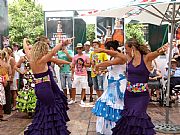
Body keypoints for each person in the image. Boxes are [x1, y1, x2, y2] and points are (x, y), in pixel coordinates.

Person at [112, 38, 168, 135]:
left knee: (138, 116)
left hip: (141, 96)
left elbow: (156, 53)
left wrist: (161, 49)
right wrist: (103, 50)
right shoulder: (128, 58)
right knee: (128, 117)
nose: (125, 51)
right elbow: (116, 54)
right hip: (129, 95)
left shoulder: (146, 58)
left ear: (132, 47)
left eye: (126, 48)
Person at [23, 38, 71, 135]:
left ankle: (43, 131)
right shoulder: (42, 60)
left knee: (43, 111)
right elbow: (53, 52)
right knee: (51, 110)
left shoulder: (31, 58)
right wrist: (62, 42)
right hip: (45, 88)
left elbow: (26, 49)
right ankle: (49, 132)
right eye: (45, 49)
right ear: (42, 50)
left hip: (38, 88)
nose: (47, 51)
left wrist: (24, 40)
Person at [92, 40, 127, 135]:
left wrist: (98, 65)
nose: (105, 51)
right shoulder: (112, 57)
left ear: (111, 49)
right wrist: (99, 69)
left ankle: (119, 128)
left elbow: (109, 63)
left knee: (117, 105)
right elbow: (108, 67)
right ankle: (109, 129)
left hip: (119, 86)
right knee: (108, 104)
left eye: (106, 49)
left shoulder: (120, 57)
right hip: (112, 86)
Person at [0, 50, 11, 121]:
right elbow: (10, 73)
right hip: (5, 80)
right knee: (4, 97)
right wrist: (6, 79)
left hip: (1, 80)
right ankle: (3, 113)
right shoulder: (7, 64)